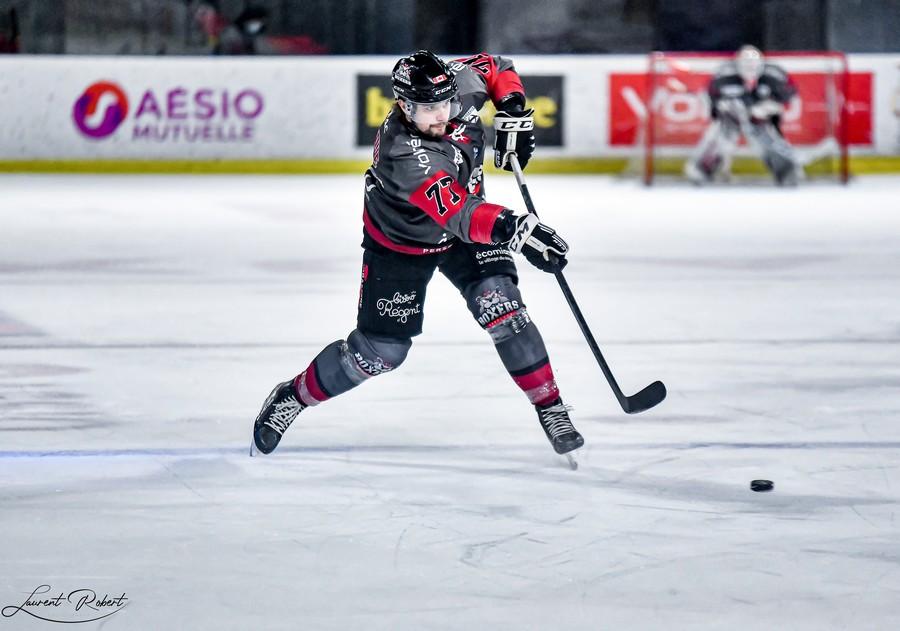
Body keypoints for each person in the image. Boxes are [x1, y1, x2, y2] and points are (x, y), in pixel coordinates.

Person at [251, 50, 583, 461]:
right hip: (404, 243)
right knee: (380, 353)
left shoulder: (458, 84)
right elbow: (458, 213)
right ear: (404, 105)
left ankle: (550, 406)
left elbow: (498, 66)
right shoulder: (405, 154)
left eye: (444, 103)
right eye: (427, 109)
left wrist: (512, 108)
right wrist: (516, 229)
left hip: (469, 228)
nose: (440, 115)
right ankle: (294, 396)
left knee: (503, 309)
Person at [685, 45, 802, 185]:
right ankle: (701, 169)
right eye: (746, 65)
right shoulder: (724, 75)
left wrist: (772, 106)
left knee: (768, 140)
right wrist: (720, 107)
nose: (750, 69)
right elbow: (710, 95)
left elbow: (790, 93)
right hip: (731, 115)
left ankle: (787, 171)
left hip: (760, 117)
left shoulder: (774, 75)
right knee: (721, 138)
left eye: (753, 65)